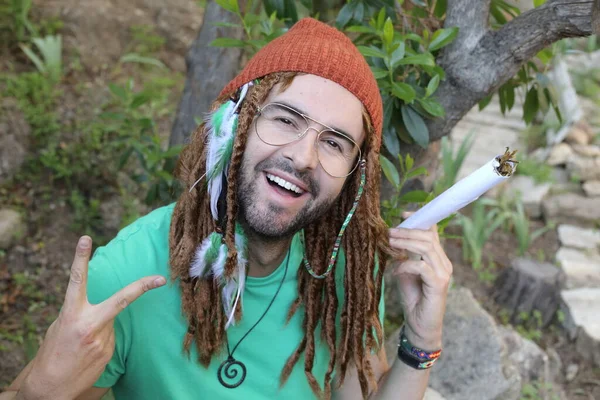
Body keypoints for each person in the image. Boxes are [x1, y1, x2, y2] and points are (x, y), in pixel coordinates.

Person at [2, 18, 452, 400]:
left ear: (353, 177)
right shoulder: (129, 273)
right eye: (285, 120)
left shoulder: (341, 270)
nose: (303, 157)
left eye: (334, 142)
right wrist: (42, 388)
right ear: (234, 127)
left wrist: (421, 339)